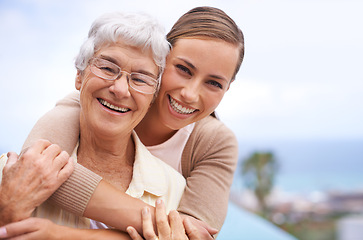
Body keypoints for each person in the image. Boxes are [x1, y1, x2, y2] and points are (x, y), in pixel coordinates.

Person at [22, 6, 245, 238]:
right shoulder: (94, 103)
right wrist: (158, 218)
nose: (189, 93)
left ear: (227, 88)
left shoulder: (213, 142)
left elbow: (190, 235)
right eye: (183, 69)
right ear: (159, 62)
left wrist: (60, 235)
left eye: (214, 83)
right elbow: (35, 170)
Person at [0, 11, 189, 239]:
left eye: (140, 79)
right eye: (108, 68)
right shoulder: (9, 173)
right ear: (79, 75)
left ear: (152, 99)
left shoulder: (174, 189)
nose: (120, 89)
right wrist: (6, 211)